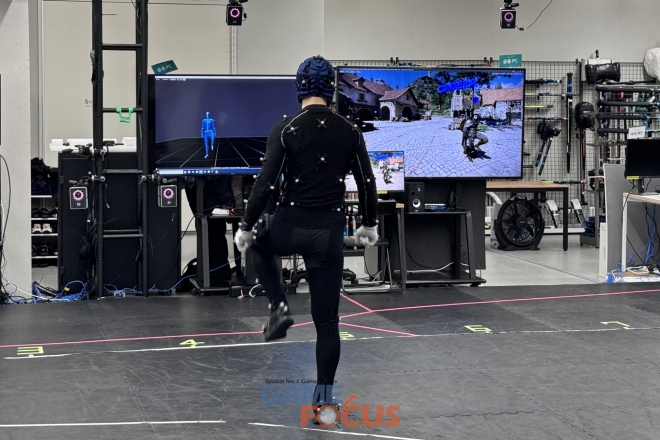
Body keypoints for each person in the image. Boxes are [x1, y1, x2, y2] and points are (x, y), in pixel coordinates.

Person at [234, 55, 379, 403]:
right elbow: (367, 182)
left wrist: (245, 226)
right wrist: (369, 223)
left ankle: (279, 308)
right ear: (332, 89)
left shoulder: (285, 129)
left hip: (290, 224)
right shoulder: (350, 131)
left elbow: (265, 185)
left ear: (298, 87)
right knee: (327, 323)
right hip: (328, 233)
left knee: (258, 245)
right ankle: (324, 398)